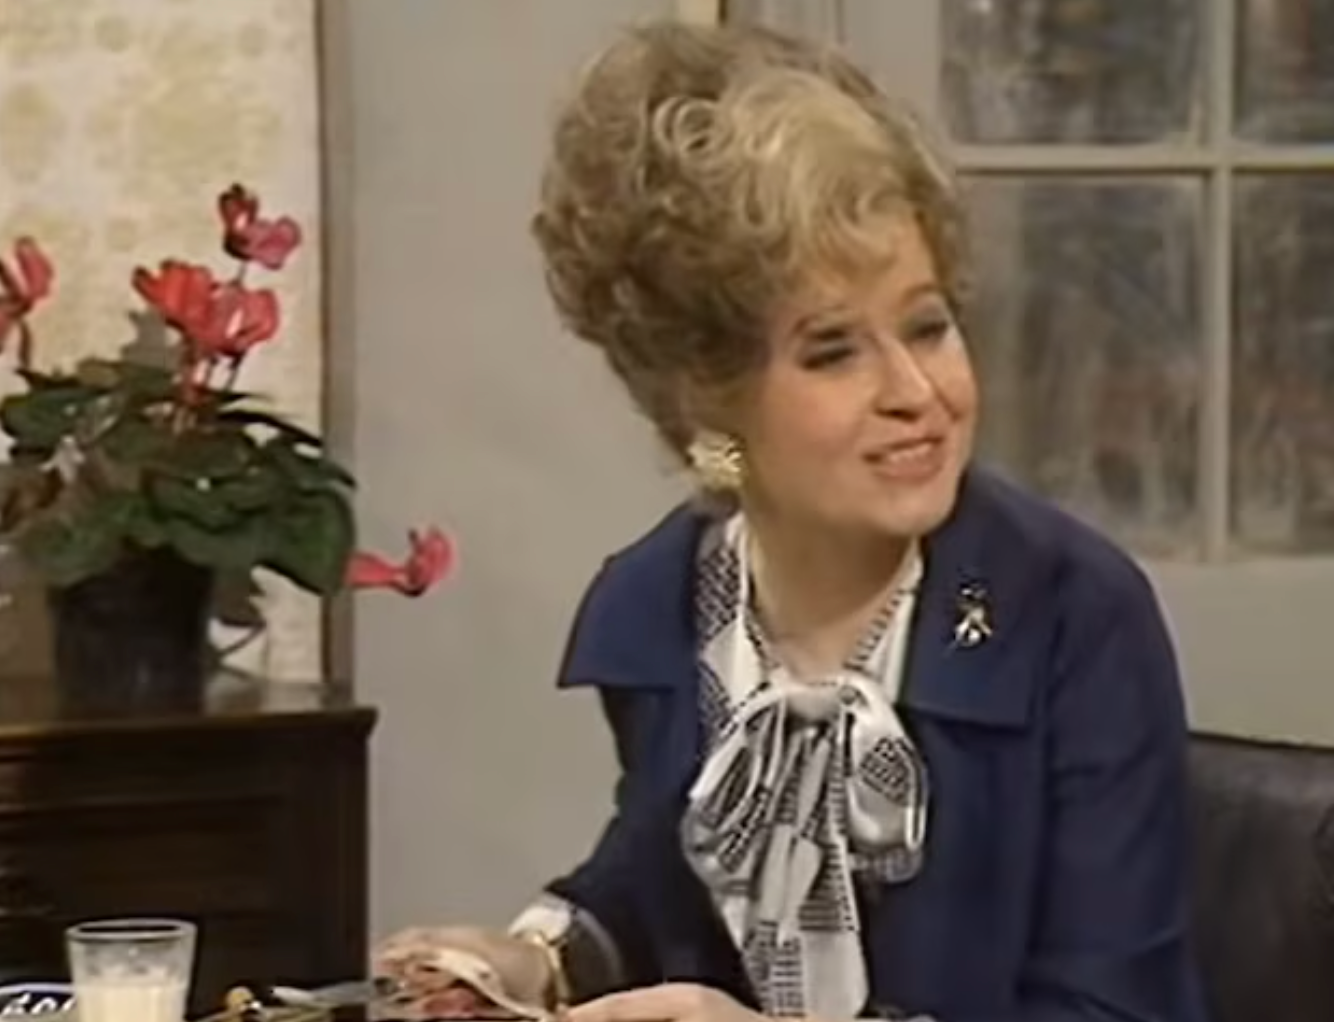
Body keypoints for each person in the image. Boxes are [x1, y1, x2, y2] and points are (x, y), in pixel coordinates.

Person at [374, 19, 1206, 1022]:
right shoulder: (663, 607)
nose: (916, 392)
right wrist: (532, 960)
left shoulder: (1071, 612)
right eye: (833, 351)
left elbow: (1114, 1008)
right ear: (708, 392)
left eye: (927, 326)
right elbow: (655, 888)